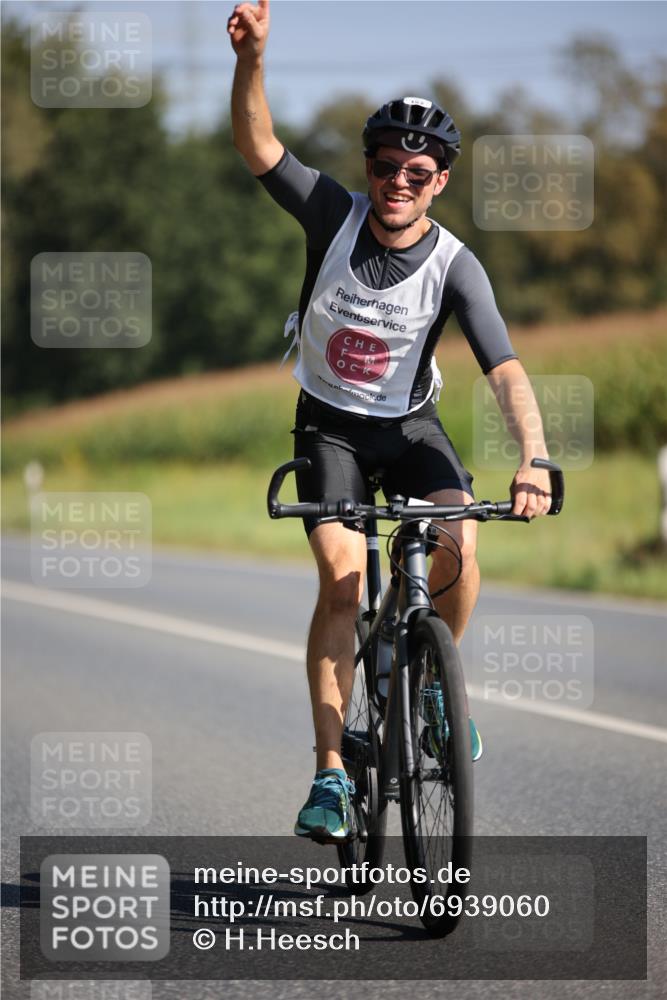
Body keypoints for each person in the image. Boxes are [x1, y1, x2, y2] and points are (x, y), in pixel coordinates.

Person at [228, 0, 552, 844]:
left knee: (458, 542)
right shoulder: (332, 216)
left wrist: (534, 459)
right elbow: (259, 147)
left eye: (418, 170)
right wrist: (253, 60)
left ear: (440, 179)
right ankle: (330, 773)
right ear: (367, 167)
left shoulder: (454, 265)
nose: (397, 181)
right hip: (328, 428)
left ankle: (438, 688)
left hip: (410, 429)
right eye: (385, 165)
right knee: (342, 579)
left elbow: (504, 367)